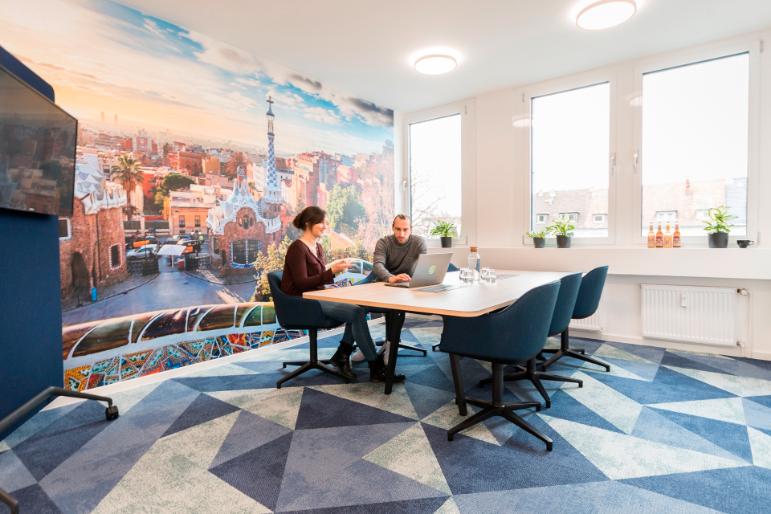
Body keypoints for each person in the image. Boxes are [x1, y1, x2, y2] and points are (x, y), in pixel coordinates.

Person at [281, 206, 396, 382]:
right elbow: (301, 283)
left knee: (358, 307)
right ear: (308, 223)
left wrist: (334, 271)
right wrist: (331, 272)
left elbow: (318, 279)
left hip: (317, 297)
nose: (325, 226)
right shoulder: (297, 248)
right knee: (356, 312)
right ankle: (374, 366)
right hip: (302, 302)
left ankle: (342, 356)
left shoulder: (317, 247)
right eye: (321, 223)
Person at [352, 214, 427, 363]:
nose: (401, 234)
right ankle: (366, 345)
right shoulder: (384, 242)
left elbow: (424, 265)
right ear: (393, 228)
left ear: (411, 229)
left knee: (397, 308)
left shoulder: (418, 242)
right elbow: (378, 265)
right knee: (356, 309)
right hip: (383, 285)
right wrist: (390, 277)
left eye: (405, 229)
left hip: (405, 286)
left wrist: (418, 278)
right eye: (398, 229)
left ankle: (391, 345)